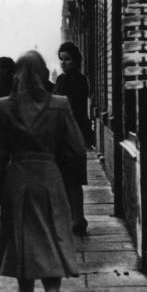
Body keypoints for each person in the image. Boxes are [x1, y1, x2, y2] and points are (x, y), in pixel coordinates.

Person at [0, 50, 84, 292]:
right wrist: (57, 167)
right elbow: (76, 149)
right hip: (50, 180)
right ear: (44, 74)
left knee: (22, 248)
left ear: (17, 75)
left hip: (18, 181)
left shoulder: (3, 106)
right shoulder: (60, 105)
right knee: (53, 241)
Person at [54, 41, 93, 235]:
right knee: (67, 178)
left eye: (67, 59)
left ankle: (77, 218)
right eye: (61, 59)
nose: (63, 63)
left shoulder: (78, 80)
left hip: (73, 132)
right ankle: (73, 217)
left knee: (73, 179)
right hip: (64, 133)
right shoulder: (61, 80)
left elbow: (72, 106)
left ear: (75, 60)